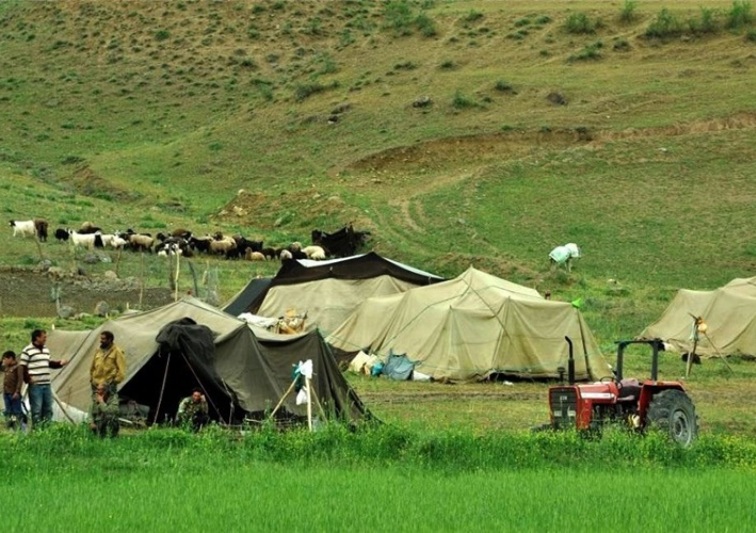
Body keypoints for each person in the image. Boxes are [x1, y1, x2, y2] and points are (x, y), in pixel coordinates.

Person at [19, 329, 69, 427]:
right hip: (36, 385)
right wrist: (28, 379)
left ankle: (46, 429)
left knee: (48, 409)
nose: (46, 339)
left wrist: (60, 363)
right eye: (44, 337)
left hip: (46, 384)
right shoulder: (27, 350)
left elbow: (48, 363)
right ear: (37, 338)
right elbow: (22, 367)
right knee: (37, 409)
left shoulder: (46, 349)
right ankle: (37, 430)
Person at [89, 330, 126, 399]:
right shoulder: (98, 350)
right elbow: (93, 365)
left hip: (108, 384)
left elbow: (121, 370)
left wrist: (113, 382)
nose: (101, 340)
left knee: (106, 406)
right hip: (96, 383)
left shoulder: (117, 351)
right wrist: (92, 378)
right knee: (95, 403)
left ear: (110, 339)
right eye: (101, 338)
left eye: (103, 339)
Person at [2, 350, 25, 430]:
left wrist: (17, 392)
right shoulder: (6, 367)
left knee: (16, 412)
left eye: (5, 359)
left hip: (14, 394)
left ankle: (19, 428)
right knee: (9, 411)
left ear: (11, 358)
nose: (4, 361)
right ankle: (11, 427)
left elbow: (20, 380)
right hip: (6, 393)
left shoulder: (18, 367)